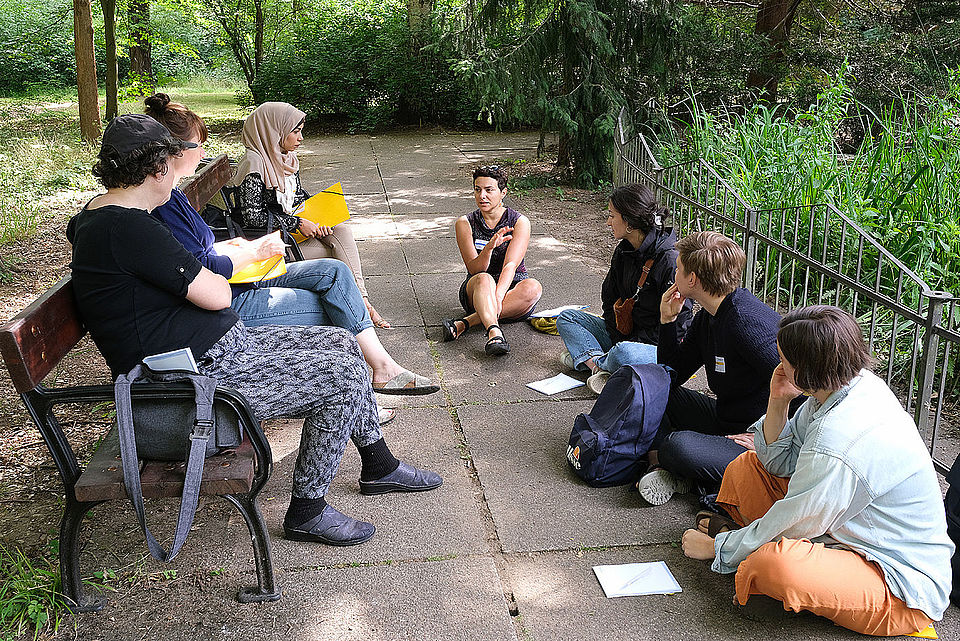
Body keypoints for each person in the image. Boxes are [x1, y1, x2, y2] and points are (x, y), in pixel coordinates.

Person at [67, 114, 442, 547]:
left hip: (210, 352)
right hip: (189, 380)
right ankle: (308, 509)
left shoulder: (104, 214)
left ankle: (378, 464)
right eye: (173, 161)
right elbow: (217, 296)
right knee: (341, 376)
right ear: (158, 169)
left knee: (341, 341)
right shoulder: (130, 226)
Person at [681, 305, 953, 637]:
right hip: (841, 528)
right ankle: (750, 543)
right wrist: (778, 400)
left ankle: (742, 545)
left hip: (898, 585)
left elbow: (795, 521)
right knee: (744, 469)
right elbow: (776, 462)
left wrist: (718, 551)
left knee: (776, 567)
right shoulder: (846, 386)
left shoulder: (837, 440)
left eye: (784, 359)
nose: (778, 365)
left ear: (809, 369)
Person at [145, 94, 437, 400]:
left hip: (245, 272)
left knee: (336, 269)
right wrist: (260, 247)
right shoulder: (168, 204)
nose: (204, 152)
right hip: (235, 291)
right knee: (337, 303)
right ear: (175, 151)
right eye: (199, 145)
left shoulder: (173, 197)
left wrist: (289, 225)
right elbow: (214, 258)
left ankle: (379, 368)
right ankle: (365, 387)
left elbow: (202, 256)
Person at [636, 231, 793, 506]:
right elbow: (672, 373)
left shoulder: (745, 323)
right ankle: (672, 469)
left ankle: (677, 467)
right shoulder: (710, 317)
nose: (675, 273)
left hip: (755, 440)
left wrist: (768, 440)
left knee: (677, 446)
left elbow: (800, 388)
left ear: (692, 279)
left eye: (679, 269)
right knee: (653, 387)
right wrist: (667, 321)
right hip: (725, 421)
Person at [223, 101, 391, 329]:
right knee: (339, 257)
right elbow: (253, 218)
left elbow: (297, 198)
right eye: (295, 131)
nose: (301, 137)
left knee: (341, 231)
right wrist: (298, 223)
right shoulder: (254, 164)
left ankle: (362, 301)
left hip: (291, 234)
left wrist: (320, 219)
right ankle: (363, 307)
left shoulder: (286, 159)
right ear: (274, 131)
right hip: (272, 244)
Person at [555, 184, 692, 394]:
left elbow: (679, 325)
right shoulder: (624, 249)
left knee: (625, 353)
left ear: (628, 222)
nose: (608, 222)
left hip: (655, 347)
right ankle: (600, 369)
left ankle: (589, 359)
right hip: (623, 335)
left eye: (612, 216)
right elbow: (609, 297)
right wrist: (616, 332)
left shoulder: (670, 261)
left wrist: (628, 344)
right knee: (568, 318)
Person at [440, 165, 542, 355]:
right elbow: (474, 268)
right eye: (477, 190)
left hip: (511, 289)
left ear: (503, 192)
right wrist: (488, 248)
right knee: (485, 278)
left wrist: (497, 297)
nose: (482, 196)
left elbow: (511, 265)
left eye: (489, 190)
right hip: (477, 287)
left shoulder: (519, 222)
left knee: (533, 287)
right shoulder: (465, 223)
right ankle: (494, 332)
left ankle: (465, 323)